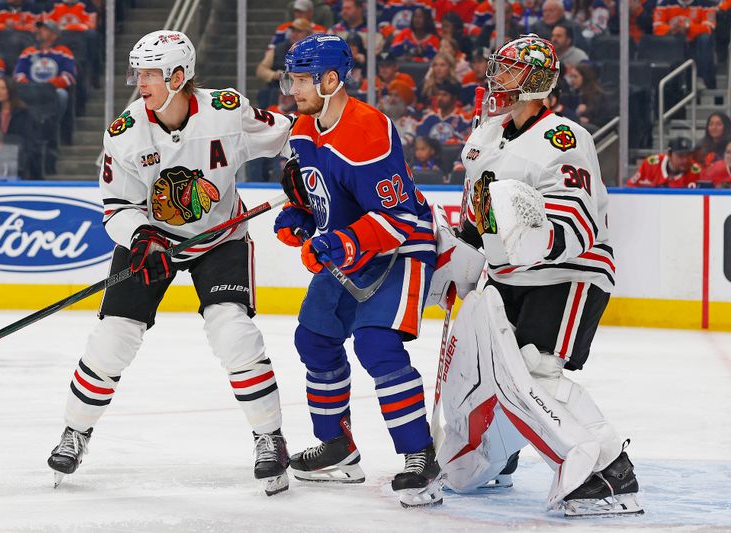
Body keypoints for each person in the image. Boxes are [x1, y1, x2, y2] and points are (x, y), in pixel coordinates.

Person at [46, 30, 295, 497]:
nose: (140, 82)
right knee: (114, 335)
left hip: (219, 238)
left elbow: (287, 134)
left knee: (232, 330)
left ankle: (269, 437)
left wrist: (302, 166)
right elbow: (116, 208)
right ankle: (75, 432)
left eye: (151, 73)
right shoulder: (125, 132)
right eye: (137, 72)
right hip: (152, 240)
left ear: (179, 77)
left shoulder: (226, 110)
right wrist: (141, 236)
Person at [436, 33, 642, 517]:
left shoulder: (563, 137)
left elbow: (578, 217)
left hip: (567, 274)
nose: (496, 78)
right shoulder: (486, 135)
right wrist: (460, 266)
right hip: (508, 278)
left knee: (535, 371)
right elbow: (475, 215)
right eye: (498, 68)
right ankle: (498, 455)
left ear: (535, 80)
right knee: (494, 373)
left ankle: (612, 471)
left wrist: (541, 243)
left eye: (508, 70)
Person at [274, 33, 442, 508]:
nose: (293, 88)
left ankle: (419, 457)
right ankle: (338, 448)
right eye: (292, 78)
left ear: (331, 79)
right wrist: (305, 219)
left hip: (400, 250)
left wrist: (342, 240)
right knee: (315, 339)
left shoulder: (368, 128)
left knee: (377, 345)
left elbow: (400, 217)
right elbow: (327, 199)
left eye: (302, 79)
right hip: (351, 252)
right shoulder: (304, 130)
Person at [13, 20, 76, 119]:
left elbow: (69, 77)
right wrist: (30, 85)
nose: (40, 31)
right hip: (30, 89)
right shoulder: (28, 52)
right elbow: (18, 75)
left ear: (54, 35)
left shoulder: (64, 52)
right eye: (40, 28)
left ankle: (53, 123)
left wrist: (49, 86)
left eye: (45, 29)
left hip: (52, 91)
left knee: (62, 94)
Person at [653, 0, 717, 88]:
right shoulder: (664, 3)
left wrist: (688, 28)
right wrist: (671, 29)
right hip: (673, 44)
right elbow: (657, 27)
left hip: (695, 45)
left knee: (705, 38)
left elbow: (709, 27)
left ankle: (700, 78)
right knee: (668, 39)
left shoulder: (706, 3)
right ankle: (667, 84)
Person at [0, 76, 33, 177]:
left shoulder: (22, 112)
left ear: (10, 91)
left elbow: (28, 138)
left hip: (15, 157)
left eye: (3, 88)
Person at [626, 136, 702, 187]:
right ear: (669, 154)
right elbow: (630, 187)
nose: (685, 160)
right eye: (680, 156)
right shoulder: (650, 164)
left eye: (688, 155)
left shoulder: (696, 171)